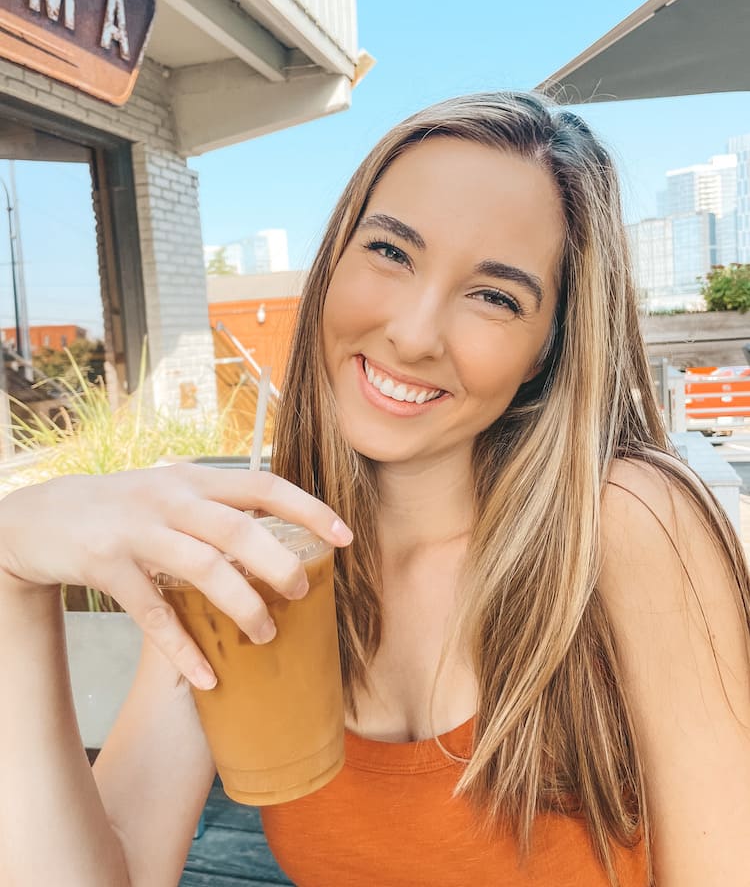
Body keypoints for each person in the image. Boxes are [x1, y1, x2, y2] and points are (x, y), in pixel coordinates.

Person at [1, 92, 749, 887]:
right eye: (392, 252)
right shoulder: (255, 554)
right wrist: (11, 569)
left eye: (496, 297)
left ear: (546, 349)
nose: (414, 333)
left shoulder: (629, 523)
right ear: (333, 263)